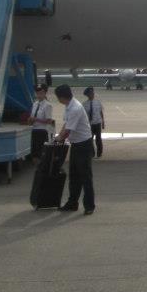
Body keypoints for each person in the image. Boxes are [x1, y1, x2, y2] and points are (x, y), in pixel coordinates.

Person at [54, 84, 96, 215]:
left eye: (58, 97)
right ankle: (72, 203)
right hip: (76, 144)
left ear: (62, 97)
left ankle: (89, 206)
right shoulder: (69, 106)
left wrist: (59, 138)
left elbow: (68, 130)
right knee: (74, 176)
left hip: (84, 145)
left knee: (85, 176)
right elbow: (66, 124)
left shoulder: (75, 108)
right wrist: (58, 137)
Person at [28, 84, 54, 162]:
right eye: (37, 93)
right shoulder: (35, 104)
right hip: (34, 129)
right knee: (34, 152)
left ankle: (41, 165)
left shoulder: (47, 105)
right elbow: (32, 116)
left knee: (41, 153)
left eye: (41, 93)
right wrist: (30, 120)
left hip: (42, 130)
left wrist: (36, 119)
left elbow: (49, 121)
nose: (39, 95)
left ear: (45, 93)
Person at [83, 86, 105, 157]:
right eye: (90, 94)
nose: (92, 95)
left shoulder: (98, 102)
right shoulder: (84, 104)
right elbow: (84, 115)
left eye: (92, 93)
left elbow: (101, 112)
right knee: (90, 139)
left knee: (98, 139)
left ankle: (99, 153)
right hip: (90, 124)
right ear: (87, 95)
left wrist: (103, 122)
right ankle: (92, 153)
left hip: (97, 123)